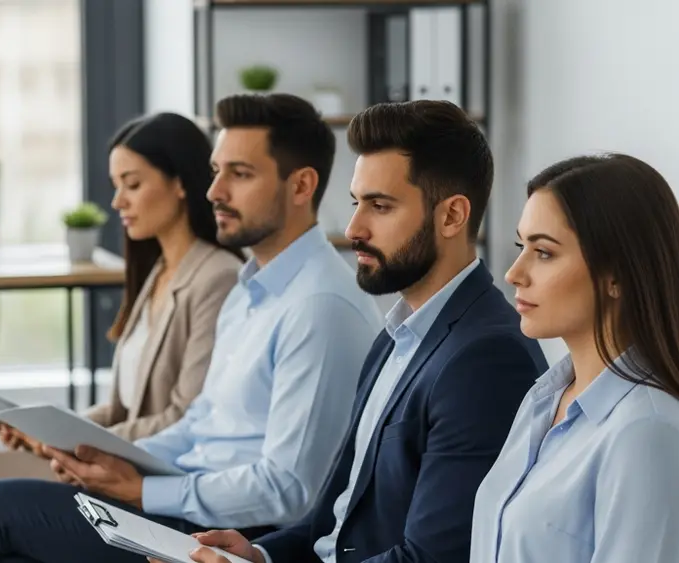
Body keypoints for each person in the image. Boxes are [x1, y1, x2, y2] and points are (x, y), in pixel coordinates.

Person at [0, 93, 384, 563]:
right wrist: (113, 463)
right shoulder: (251, 290)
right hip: (190, 505)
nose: (214, 191)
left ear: (301, 186)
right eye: (215, 171)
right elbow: (199, 424)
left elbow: (290, 491)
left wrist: (148, 491)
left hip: (232, 532)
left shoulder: (319, 307)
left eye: (239, 174)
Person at [176, 100, 549, 563]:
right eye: (357, 203)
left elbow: (431, 559)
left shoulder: (485, 358)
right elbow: (332, 522)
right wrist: (257, 554)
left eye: (380, 206)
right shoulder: (394, 336)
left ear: (452, 216)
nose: (353, 228)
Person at [0, 112, 245, 562]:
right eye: (116, 184)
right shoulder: (157, 270)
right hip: (109, 454)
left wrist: (69, 444)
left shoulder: (216, 279)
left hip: (144, 474)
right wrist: (49, 429)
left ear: (179, 183)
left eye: (132, 184)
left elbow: (183, 418)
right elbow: (122, 407)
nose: (118, 200)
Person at [468, 154, 679, 563]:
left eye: (543, 253)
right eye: (520, 246)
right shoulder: (543, 400)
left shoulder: (646, 433)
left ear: (616, 275)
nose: (514, 272)